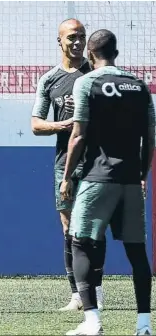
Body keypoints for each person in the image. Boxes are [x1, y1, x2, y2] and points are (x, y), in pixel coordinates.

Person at [61, 29, 154, 335]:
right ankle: (143, 325)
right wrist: (141, 175)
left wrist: (67, 177)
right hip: (130, 182)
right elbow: (150, 138)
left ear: (90, 53)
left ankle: (92, 322)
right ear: (116, 52)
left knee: (80, 243)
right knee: (137, 252)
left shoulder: (87, 82)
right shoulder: (139, 86)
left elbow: (79, 135)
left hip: (97, 179)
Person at [31, 18, 104, 312]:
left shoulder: (97, 75)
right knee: (69, 228)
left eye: (82, 37)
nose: (77, 42)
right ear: (59, 41)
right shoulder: (50, 80)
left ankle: (96, 292)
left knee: (93, 228)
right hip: (65, 164)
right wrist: (68, 125)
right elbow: (36, 125)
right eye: (71, 37)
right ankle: (76, 294)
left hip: (98, 161)